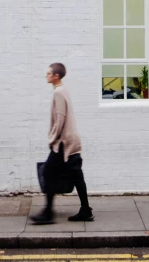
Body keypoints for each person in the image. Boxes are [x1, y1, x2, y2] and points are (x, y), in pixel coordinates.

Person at [30, 63, 93, 224]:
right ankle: (85, 210)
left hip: (63, 142)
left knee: (48, 172)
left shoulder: (58, 92)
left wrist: (52, 139)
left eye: (49, 73)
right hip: (70, 140)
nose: (47, 76)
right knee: (77, 176)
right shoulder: (63, 90)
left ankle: (48, 213)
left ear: (56, 76)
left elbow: (60, 119)